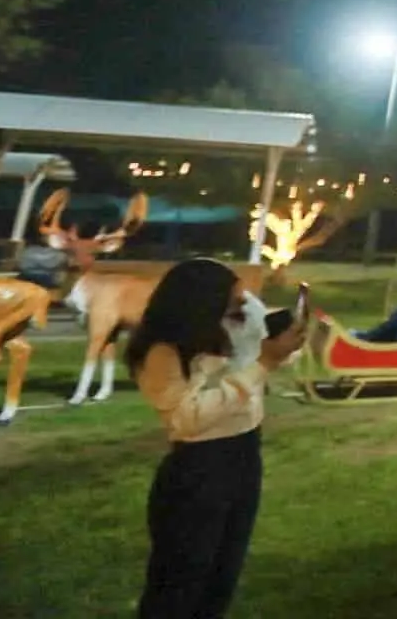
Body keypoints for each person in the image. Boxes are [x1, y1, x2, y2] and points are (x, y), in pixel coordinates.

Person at [126, 258, 306, 618]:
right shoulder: (163, 351)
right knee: (180, 582)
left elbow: (263, 358)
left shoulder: (231, 324)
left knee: (222, 576)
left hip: (243, 457)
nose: (243, 308)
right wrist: (261, 366)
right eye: (234, 303)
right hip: (199, 470)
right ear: (202, 305)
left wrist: (283, 345)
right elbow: (186, 419)